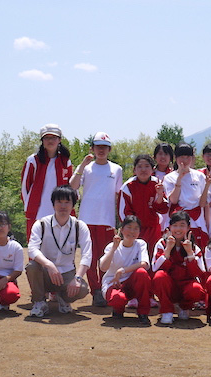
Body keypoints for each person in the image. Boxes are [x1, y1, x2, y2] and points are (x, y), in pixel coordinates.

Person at [70, 131, 123, 307]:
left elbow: (118, 195)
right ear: (92, 148)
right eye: (98, 147)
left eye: (105, 147)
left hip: (107, 219)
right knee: (90, 257)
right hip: (87, 218)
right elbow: (73, 186)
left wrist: (119, 221)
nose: (101, 150)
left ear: (109, 150)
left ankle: (106, 287)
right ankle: (96, 290)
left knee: (106, 256)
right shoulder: (86, 167)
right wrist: (82, 165)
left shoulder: (117, 169)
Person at [26, 185, 92, 317]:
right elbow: (32, 249)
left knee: (83, 289)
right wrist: (48, 264)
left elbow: (87, 254)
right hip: (45, 273)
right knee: (32, 266)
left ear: (73, 205)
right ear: (53, 204)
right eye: (59, 202)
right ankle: (39, 302)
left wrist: (77, 278)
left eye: (67, 202)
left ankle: (63, 298)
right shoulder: (41, 224)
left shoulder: (80, 226)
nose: (63, 206)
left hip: (67, 273)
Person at [152, 211, 206, 324]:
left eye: (182, 225)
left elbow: (200, 273)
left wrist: (190, 253)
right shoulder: (161, 244)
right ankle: (167, 311)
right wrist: (168, 250)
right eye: (175, 225)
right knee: (159, 276)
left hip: (185, 286)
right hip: (169, 287)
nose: (178, 229)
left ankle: (184, 307)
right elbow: (155, 269)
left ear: (188, 227)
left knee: (196, 289)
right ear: (169, 227)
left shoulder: (194, 247)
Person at [21, 124, 72, 240]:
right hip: (38, 211)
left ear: (59, 140)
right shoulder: (33, 160)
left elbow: (70, 187)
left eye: (53, 138)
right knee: (36, 245)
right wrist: (29, 206)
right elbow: (25, 187)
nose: (50, 141)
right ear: (42, 141)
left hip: (60, 210)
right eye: (46, 138)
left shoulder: (65, 161)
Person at [99, 215, 152, 325]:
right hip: (113, 283)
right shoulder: (111, 246)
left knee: (142, 273)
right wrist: (114, 248)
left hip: (131, 283)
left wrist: (122, 271)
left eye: (136, 228)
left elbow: (144, 264)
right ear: (121, 230)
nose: (132, 231)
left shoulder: (140, 244)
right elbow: (103, 267)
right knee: (118, 299)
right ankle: (118, 309)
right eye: (129, 227)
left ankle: (143, 313)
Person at [119, 154, 169, 258]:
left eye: (147, 166)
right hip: (135, 230)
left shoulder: (157, 183)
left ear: (152, 169)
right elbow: (123, 213)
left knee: (153, 256)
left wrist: (160, 194)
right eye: (140, 166)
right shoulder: (127, 187)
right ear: (134, 170)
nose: (143, 170)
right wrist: (131, 229)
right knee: (134, 258)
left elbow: (162, 209)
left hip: (153, 228)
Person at [163, 143, 210, 250]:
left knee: (198, 250)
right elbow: (173, 200)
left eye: (187, 157)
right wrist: (179, 178)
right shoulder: (169, 178)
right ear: (175, 158)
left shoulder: (199, 176)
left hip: (197, 220)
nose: (184, 159)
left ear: (192, 158)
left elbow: (203, 203)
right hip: (178, 221)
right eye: (181, 156)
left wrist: (208, 224)